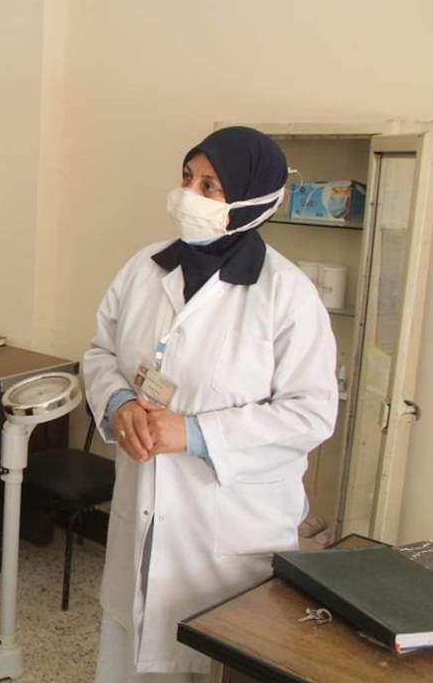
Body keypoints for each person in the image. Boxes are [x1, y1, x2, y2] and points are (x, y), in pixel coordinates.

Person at [83, 126, 339, 682]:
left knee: (216, 658)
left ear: (251, 198)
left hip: (226, 533)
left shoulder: (287, 294)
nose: (188, 196)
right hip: (144, 511)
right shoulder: (145, 267)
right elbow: (100, 352)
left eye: (209, 186)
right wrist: (119, 401)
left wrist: (196, 434)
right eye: (186, 178)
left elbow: (311, 412)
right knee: (130, 654)